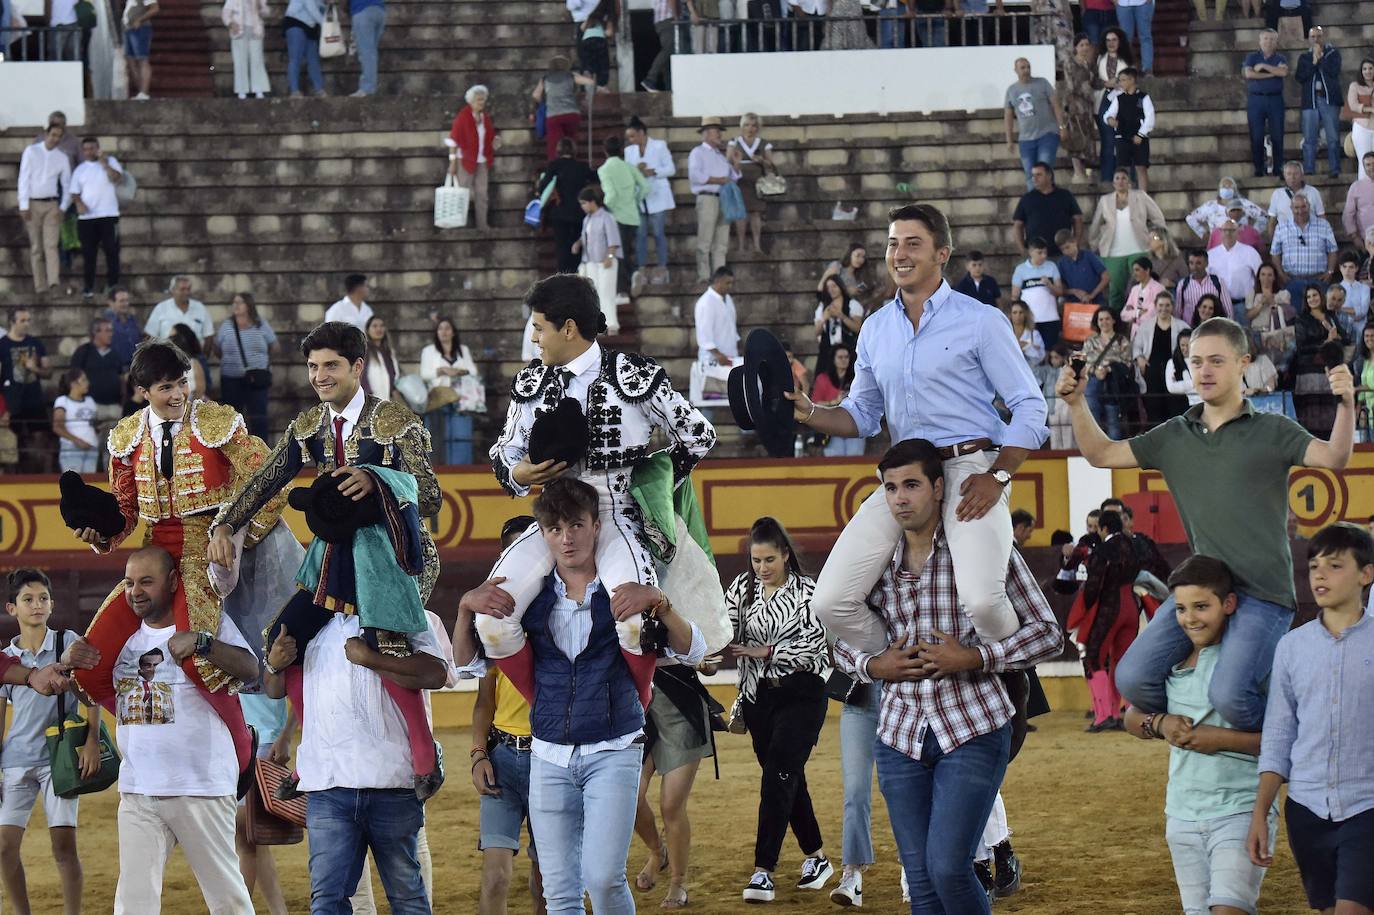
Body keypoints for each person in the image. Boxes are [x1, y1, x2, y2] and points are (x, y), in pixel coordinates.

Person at [1056, 315, 1355, 738]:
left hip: (1263, 593)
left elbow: (1335, 458)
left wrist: (1345, 403)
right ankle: (1239, 728)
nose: (1205, 371)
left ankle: (1289, 742)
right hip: (1199, 594)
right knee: (1133, 678)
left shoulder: (1272, 429)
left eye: (1216, 361)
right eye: (1196, 362)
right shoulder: (1174, 435)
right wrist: (1076, 403)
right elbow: (1102, 453)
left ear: (1243, 364)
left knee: (1231, 695)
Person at [789, 203, 1048, 689]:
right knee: (830, 601)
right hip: (906, 478)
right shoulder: (875, 328)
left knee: (985, 601)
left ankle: (1012, 682)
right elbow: (863, 417)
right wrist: (813, 413)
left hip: (969, 468)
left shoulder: (980, 320)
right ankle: (909, 668)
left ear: (941, 254)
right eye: (892, 243)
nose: (899, 253)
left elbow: (1030, 406)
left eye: (913, 243)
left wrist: (999, 476)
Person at [208, 321, 443, 797]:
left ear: (358, 367)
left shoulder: (396, 422)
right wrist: (226, 523)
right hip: (335, 557)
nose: (320, 376)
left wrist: (377, 477)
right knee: (284, 637)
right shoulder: (309, 425)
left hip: (394, 557)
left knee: (386, 643)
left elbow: (432, 496)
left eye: (331, 365)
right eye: (313, 367)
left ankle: (425, 756)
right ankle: (302, 755)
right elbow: (267, 478)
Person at [831, 439, 1061, 914]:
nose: (900, 497)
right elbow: (836, 640)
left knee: (949, 867)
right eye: (890, 487)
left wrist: (976, 657)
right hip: (898, 734)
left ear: (939, 488)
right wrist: (874, 665)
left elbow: (1049, 635)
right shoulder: (871, 563)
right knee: (920, 879)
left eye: (911, 484)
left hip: (973, 724)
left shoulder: (979, 550)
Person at [466, 478, 705, 914]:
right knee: (559, 891)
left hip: (613, 749)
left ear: (597, 526)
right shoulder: (531, 603)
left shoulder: (624, 594)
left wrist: (661, 603)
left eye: (576, 525)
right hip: (549, 753)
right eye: (555, 529)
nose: (567, 537)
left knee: (602, 878)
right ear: (544, 534)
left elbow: (695, 648)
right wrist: (465, 605)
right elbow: (469, 663)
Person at [479, 274, 717, 704]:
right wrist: (520, 473)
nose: (534, 338)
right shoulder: (532, 383)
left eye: (538, 327)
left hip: (616, 513)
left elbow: (699, 434)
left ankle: (635, 709)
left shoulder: (633, 375)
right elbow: (503, 452)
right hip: (554, 520)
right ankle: (547, 704)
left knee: (634, 621)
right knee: (491, 618)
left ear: (567, 328)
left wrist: (654, 484)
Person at [70, 342, 298, 790]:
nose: (177, 394)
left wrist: (232, 531)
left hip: (204, 546)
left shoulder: (216, 422)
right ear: (142, 391)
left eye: (182, 383)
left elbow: (271, 478)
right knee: (90, 666)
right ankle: (156, 728)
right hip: (152, 554)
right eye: (165, 387)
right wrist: (103, 534)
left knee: (200, 660)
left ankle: (241, 747)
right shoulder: (126, 437)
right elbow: (126, 511)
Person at [64, 547, 261, 914]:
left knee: (228, 900)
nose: (135, 591)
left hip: (199, 787)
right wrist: (68, 665)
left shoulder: (205, 622)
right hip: (138, 788)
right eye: (129, 583)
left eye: (146, 582)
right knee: (133, 903)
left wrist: (203, 643)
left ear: (172, 582)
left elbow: (251, 669)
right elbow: (89, 691)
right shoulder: (119, 641)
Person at [261, 567, 448, 912]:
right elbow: (275, 689)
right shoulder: (311, 627)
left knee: (405, 896)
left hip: (391, 781)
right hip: (329, 786)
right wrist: (274, 665)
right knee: (329, 900)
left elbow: (437, 672)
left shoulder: (403, 613)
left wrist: (372, 659)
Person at [1123, 556, 1277, 915]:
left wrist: (1219, 738)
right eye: (1179, 609)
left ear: (1229, 604)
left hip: (1240, 809)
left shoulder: (1247, 668)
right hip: (1181, 815)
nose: (1190, 618)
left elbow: (1282, 740)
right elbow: (1131, 717)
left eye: (1201, 607)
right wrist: (1160, 724)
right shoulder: (1172, 665)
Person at [1247, 522, 1374, 915]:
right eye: (1315, 565)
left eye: (1335, 565)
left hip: (1368, 804)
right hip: (1305, 810)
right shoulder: (1291, 648)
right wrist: (1259, 814)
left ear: (1366, 574)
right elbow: (1279, 735)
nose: (1319, 574)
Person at [724, 517, 833, 903]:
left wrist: (767, 650)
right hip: (759, 699)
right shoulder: (742, 588)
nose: (762, 568)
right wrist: (703, 649)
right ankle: (817, 858)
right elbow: (726, 630)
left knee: (777, 777)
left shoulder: (809, 591)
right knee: (785, 777)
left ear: (785, 554)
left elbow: (817, 645)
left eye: (769, 559)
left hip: (803, 694)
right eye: (756, 560)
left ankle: (763, 870)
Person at [459, 517, 546, 915]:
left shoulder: (557, 613)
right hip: (503, 757)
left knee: (548, 880)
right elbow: (484, 699)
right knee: (494, 877)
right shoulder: (492, 621)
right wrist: (478, 753)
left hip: (551, 758)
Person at [0, 569, 98, 915]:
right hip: (15, 759)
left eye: (43, 599)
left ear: (53, 604)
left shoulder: (68, 642)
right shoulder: (7, 658)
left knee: (63, 847)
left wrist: (90, 740)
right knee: (4, 848)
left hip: (60, 760)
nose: (37, 605)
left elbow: (91, 693)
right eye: (28, 599)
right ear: (12, 608)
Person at [234, 694, 292, 915]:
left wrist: (285, 735)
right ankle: (278, 911)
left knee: (246, 836)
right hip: (249, 738)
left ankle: (239, 910)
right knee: (253, 839)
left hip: (259, 741)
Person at [1089, 168, 1167, 311]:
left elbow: (1158, 217)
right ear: (1113, 182)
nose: (1120, 181)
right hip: (1113, 252)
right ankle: (1116, 323)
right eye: (1117, 178)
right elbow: (1096, 224)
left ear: (1130, 182)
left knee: (1142, 286)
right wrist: (1094, 244)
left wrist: (1154, 235)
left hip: (1139, 249)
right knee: (1115, 291)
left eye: (1124, 178)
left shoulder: (1140, 196)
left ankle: (1142, 320)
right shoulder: (1105, 200)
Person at [16, 121, 72, 296]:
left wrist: (63, 207)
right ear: (46, 134)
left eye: (58, 136)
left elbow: (67, 183)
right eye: (53, 135)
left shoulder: (62, 157)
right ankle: (40, 286)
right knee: (36, 247)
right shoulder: (31, 151)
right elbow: (24, 178)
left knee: (51, 245)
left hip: (52, 204)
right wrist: (23, 204)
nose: (55, 139)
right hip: (33, 203)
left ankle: (54, 283)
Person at [420, 315, 483, 465]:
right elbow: (424, 374)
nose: (444, 331)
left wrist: (456, 371)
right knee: (437, 437)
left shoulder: (463, 350)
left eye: (447, 328)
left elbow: (473, 371)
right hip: (439, 399)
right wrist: (441, 371)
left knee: (460, 436)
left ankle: (461, 467)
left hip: (460, 399)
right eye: (440, 328)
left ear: (453, 332)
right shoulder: (429, 351)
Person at [215, 292, 278, 440]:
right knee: (232, 418)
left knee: (258, 418)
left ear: (249, 305)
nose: (236, 305)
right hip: (231, 379)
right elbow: (217, 349)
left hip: (256, 378)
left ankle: (261, 453)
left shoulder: (260, 324)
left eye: (240, 302)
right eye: (234, 302)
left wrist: (261, 362)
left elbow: (275, 347)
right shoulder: (227, 325)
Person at [69, 136, 124, 300]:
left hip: (109, 215)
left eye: (92, 148)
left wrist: (104, 163)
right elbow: (74, 192)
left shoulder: (111, 161)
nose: (88, 152)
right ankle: (88, 287)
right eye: (85, 149)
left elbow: (117, 178)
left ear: (98, 148)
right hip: (87, 218)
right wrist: (79, 203)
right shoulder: (80, 169)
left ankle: (113, 286)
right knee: (89, 254)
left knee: (112, 251)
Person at [624, 117, 676, 287]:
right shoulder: (629, 151)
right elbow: (627, 173)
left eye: (632, 136)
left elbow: (670, 169)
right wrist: (636, 172)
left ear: (641, 133)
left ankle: (662, 268)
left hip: (658, 195)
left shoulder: (659, 146)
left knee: (659, 234)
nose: (630, 140)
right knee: (641, 236)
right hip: (640, 197)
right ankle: (642, 270)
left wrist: (653, 171)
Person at [688, 116, 740, 283]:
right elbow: (695, 176)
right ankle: (703, 275)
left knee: (721, 241)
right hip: (707, 197)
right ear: (706, 133)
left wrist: (736, 163)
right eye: (716, 132)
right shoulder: (697, 152)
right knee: (705, 240)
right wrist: (719, 180)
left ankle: (719, 276)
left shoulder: (720, 155)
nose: (719, 135)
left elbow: (734, 176)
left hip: (722, 197)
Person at [0, 309, 52, 474]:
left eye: (28, 320)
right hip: (12, 401)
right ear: (12, 322)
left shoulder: (35, 343)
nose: (27, 323)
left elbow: (48, 372)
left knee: (40, 440)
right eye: (22, 320)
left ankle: (40, 477)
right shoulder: (2, 345)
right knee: (13, 445)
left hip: (34, 399)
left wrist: (34, 368)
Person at [1292, 284, 1348, 436]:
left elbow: (1345, 338)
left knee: (1330, 410)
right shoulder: (1301, 319)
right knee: (1311, 413)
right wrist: (1326, 343)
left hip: (1328, 369)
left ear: (1321, 296)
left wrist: (1337, 338)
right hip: (1309, 371)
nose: (1312, 299)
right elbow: (1302, 347)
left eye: (1315, 295)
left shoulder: (1330, 315)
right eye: (1309, 297)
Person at [1003, 57, 1067, 190]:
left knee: (1045, 169)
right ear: (1015, 70)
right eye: (1022, 68)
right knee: (1029, 174)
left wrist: (1062, 127)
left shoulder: (1042, 83)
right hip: (1026, 140)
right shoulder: (1011, 90)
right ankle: (1034, 205)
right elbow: (1008, 115)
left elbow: (1055, 104)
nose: (1026, 70)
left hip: (1047, 134)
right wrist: (1009, 140)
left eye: (1028, 67)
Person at [68, 316, 125, 463]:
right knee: (93, 444)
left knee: (112, 446)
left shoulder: (115, 354)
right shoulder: (83, 352)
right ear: (96, 333)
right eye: (107, 331)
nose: (110, 334)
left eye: (111, 330)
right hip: (91, 405)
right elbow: (73, 376)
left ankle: (109, 475)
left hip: (113, 406)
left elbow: (121, 378)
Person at [598, 136, 647, 304]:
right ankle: (633, 273)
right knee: (626, 251)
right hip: (633, 216)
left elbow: (610, 194)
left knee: (618, 254)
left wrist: (604, 208)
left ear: (605, 151)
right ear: (621, 151)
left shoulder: (604, 169)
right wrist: (635, 200)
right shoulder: (629, 167)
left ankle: (622, 291)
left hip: (616, 217)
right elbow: (646, 187)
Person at [447, 85, 499, 233]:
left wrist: (495, 141)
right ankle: (457, 225)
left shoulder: (485, 118)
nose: (481, 103)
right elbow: (453, 140)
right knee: (462, 193)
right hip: (465, 160)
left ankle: (482, 225)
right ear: (471, 101)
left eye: (483, 100)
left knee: (482, 194)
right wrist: (452, 162)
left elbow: (489, 137)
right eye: (478, 100)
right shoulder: (462, 117)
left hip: (482, 160)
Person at [573, 185, 623, 337]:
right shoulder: (587, 219)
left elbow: (613, 239)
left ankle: (612, 324)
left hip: (605, 260)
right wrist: (578, 243)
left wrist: (609, 256)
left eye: (583, 203)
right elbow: (585, 236)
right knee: (594, 295)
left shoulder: (606, 217)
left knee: (606, 292)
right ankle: (599, 325)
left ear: (592, 202)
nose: (582, 207)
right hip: (591, 261)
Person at [1271, 194, 1338, 304]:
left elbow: (1333, 250)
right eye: (1296, 208)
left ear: (1309, 206)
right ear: (1291, 208)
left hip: (1318, 280)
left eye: (1303, 207)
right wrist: (1280, 273)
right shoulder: (1281, 227)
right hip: (1292, 281)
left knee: (1319, 317)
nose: (1300, 211)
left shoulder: (1323, 225)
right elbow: (1275, 253)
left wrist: (1330, 271)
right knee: (1293, 317)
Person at [1133, 291, 1189, 425]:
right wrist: (1140, 358)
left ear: (1172, 307)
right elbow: (1136, 347)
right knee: (1153, 407)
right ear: (1155, 306)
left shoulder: (1182, 326)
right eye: (1161, 305)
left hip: (1175, 371)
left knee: (1174, 405)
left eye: (1167, 305)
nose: (1164, 308)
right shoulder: (1145, 326)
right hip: (1152, 372)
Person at [1295, 27, 1342, 178]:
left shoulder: (1333, 54)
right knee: (1309, 138)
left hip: (1328, 100)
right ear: (1309, 39)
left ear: (1323, 37)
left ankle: (1335, 169)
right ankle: (1309, 170)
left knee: (1333, 137)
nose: (1316, 39)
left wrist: (1320, 58)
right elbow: (1300, 77)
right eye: (1313, 37)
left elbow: (1333, 72)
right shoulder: (1304, 57)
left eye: (1318, 36)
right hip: (1311, 100)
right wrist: (1314, 62)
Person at [1012, 162, 1083, 259]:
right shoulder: (1026, 199)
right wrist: (1022, 249)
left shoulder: (1065, 196)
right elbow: (1017, 225)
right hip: (1036, 255)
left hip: (1063, 254)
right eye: (1033, 175)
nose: (1034, 179)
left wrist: (1076, 243)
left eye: (1039, 175)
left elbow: (1077, 220)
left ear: (1049, 176)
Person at [1243, 29, 1288, 178]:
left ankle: (1278, 168)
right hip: (1256, 99)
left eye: (1271, 39)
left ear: (1276, 42)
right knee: (1256, 136)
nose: (1268, 42)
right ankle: (1258, 168)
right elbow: (1249, 74)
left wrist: (1263, 67)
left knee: (1277, 135)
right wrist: (1272, 73)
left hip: (1275, 99)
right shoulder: (1252, 57)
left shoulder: (1280, 57)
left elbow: (1283, 73)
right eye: (1266, 39)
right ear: (1260, 41)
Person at [1083, 306, 1134, 438]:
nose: (1104, 322)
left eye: (1107, 319)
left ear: (1113, 321)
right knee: (1093, 420)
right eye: (1101, 319)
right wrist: (1096, 370)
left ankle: (1114, 454)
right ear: (1097, 322)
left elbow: (1127, 363)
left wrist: (1108, 369)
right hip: (1094, 381)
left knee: (1113, 421)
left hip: (1114, 383)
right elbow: (1085, 362)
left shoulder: (1122, 340)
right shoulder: (1090, 341)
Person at [727, 113, 774, 255]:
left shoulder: (764, 143)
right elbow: (727, 160)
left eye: (753, 125)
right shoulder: (734, 142)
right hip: (739, 179)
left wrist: (760, 160)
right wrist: (736, 160)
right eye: (747, 125)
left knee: (755, 213)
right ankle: (741, 246)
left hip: (756, 180)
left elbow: (770, 164)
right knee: (741, 213)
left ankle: (756, 246)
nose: (750, 128)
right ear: (741, 126)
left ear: (758, 127)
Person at [532, 57, 592, 163]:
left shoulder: (545, 78)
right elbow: (589, 82)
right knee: (571, 141)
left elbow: (536, 95)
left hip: (553, 115)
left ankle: (554, 167)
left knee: (554, 144)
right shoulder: (571, 75)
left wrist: (545, 100)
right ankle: (572, 163)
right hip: (572, 114)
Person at [1103, 67, 1154, 193]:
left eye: (1123, 80)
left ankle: (1143, 197)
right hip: (1122, 137)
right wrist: (1110, 120)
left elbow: (1150, 118)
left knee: (1141, 167)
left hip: (1138, 137)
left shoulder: (1143, 98)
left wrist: (1141, 134)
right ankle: (1126, 194)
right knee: (1123, 168)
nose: (1121, 83)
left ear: (1132, 80)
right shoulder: (1118, 98)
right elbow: (1108, 114)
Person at [1011, 237, 1065, 348]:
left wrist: (1049, 285)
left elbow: (1060, 291)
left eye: (1045, 252)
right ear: (1031, 252)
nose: (1043, 256)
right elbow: (1015, 296)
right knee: (1032, 348)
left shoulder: (1051, 266)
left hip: (1050, 317)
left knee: (1050, 349)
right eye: (1040, 253)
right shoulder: (1020, 269)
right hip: (1030, 319)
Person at [1062, 34, 1101, 185]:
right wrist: (1085, 91)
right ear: (1076, 47)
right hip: (1075, 105)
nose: (1085, 48)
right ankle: (1078, 172)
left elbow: (1095, 82)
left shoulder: (1090, 63)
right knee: (1077, 137)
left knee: (1088, 137)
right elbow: (1071, 85)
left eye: (1087, 45)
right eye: (1082, 45)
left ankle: (1087, 171)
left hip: (1088, 106)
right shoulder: (1070, 62)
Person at [813, 344, 864, 456]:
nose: (844, 360)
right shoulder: (823, 379)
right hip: (832, 427)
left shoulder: (857, 378)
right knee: (834, 459)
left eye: (846, 357)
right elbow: (815, 404)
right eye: (840, 357)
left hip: (853, 426)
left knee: (855, 457)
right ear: (833, 359)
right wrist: (834, 402)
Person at [814, 273, 865, 380]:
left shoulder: (852, 305)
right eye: (828, 287)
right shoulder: (823, 307)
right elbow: (816, 332)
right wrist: (824, 318)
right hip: (828, 352)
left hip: (848, 351)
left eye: (834, 286)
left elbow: (858, 328)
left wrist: (841, 316)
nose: (831, 289)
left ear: (840, 286)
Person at [1186, 177, 1265, 245]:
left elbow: (1263, 216)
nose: (1227, 188)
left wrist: (1253, 233)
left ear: (1234, 189)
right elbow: (1190, 218)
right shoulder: (1210, 206)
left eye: (1230, 186)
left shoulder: (1243, 204)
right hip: (1217, 244)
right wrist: (1202, 233)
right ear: (1219, 189)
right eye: (1224, 186)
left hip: (1241, 243)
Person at [1207, 220, 1263, 313]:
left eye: (1232, 230)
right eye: (1225, 230)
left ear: (1238, 232)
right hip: (1218, 306)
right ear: (1220, 232)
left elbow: (1261, 276)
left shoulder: (1250, 252)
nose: (1228, 233)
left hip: (1243, 305)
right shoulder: (1211, 255)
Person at [52, 369, 100, 474]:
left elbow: (94, 425)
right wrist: (77, 441)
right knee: (74, 484)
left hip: (91, 447)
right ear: (73, 384)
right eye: (83, 380)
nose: (87, 383)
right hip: (72, 449)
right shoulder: (62, 401)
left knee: (90, 485)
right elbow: (57, 426)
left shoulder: (90, 401)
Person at [222, 0, 270, 98]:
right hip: (239, 31)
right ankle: (241, 90)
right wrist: (231, 24)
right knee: (240, 61)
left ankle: (259, 89)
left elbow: (266, 13)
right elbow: (225, 13)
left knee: (257, 60)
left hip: (255, 31)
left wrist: (260, 6)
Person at [146, 276, 213, 344]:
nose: (186, 292)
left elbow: (208, 335)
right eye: (182, 289)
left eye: (188, 289)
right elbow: (150, 335)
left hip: (194, 353)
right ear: (173, 290)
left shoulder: (200, 308)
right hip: (167, 353)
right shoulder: (161, 308)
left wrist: (204, 354)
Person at [1265, 160, 1325, 236]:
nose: (1292, 177)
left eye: (1296, 174)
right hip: (1285, 238)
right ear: (1284, 175)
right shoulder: (1277, 194)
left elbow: (1321, 217)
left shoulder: (1313, 192)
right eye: (1289, 174)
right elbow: (1272, 221)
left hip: (1310, 236)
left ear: (1302, 175)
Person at [1175, 249, 1233, 324]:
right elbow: (1178, 311)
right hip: (1189, 328)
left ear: (1206, 263)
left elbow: (1228, 309)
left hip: (1213, 328)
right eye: (1191, 263)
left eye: (1198, 263)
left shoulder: (1218, 282)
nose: (1194, 267)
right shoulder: (1183, 284)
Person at [1056, 230, 1110, 307]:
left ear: (1075, 242)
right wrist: (1074, 291)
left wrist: (1092, 295)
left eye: (1067, 247)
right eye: (1062, 249)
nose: (1066, 251)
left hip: (1096, 299)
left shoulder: (1089, 256)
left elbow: (1106, 277)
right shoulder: (1061, 263)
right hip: (1074, 303)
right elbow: (1060, 288)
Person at [282, 0, 325, 96]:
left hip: (311, 27)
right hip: (296, 22)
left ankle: (319, 89)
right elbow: (311, 6)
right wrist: (325, 24)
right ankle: (294, 90)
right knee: (295, 58)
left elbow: (320, 7)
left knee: (313, 59)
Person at [346, 0, 385, 97]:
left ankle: (367, 88)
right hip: (380, 10)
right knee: (371, 52)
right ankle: (371, 87)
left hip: (362, 11)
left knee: (366, 53)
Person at [122, 0, 158, 98]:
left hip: (141, 29)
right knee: (131, 60)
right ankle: (140, 91)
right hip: (128, 29)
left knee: (142, 59)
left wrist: (140, 19)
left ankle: (144, 92)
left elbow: (155, 8)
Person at [362, 315, 401, 401]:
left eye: (381, 326)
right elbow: (361, 375)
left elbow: (395, 375)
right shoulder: (364, 350)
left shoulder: (389, 352)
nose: (379, 329)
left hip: (387, 399)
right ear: (368, 330)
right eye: (375, 326)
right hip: (369, 399)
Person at [104, 287, 143, 369]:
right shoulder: (104, 323)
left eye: (127, 300)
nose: (126, 304)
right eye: (122, 301)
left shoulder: (133, 320)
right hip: (114, 369)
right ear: (111, 303)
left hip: (135, 368)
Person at [1350, 59, 1374, 182]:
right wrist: (1369, 109)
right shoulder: (1355, 86)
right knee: (1364, 161)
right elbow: (1353, 105)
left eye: (1370, 68)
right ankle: (1365, 194)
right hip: (1362, 128)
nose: (1368, 71)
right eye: (1365, 69)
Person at [170, 325, 208, 400]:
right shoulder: (165, 364)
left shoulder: (194, 362)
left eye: (174, 337)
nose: (170, 340)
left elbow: (200, 390)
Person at [1115, 0, 1153, 76]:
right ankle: (1126, 68)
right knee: (1125, 39)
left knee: (1145, 37)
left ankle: (1147, 69)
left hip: (1143, 3)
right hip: (1123, 4)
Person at [1344, 153, 1374, 243]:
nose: (1372, 167)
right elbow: (1348, 214)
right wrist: (1354, 237)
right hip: (1365, 239)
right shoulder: (1356, 186)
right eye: (1368, 165)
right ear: (1364, 167)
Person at [1008, 299, 1047, 367]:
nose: (1018, 316)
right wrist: (1028, 345)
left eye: (1021, 312)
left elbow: (1040, 356)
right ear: (1010, 315)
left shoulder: (1034, 334)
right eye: (1014, 312)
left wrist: (1024, 348)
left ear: (1025, 314)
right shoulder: (1006, 333)